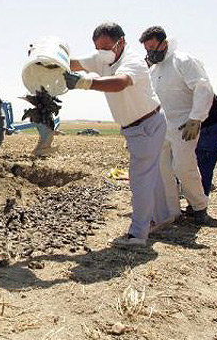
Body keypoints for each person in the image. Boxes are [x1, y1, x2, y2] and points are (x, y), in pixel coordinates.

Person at [63, 22, 172, 247]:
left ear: (121, 41)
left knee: (140, 179)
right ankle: (165, 217)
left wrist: (86, 83)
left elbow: (120, 83)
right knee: (153, 175)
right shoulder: (101, 58)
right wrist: (47, 60)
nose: (101, 51)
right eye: (97, 47)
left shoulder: (132, 62)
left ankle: (138, 235)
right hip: (136, 127)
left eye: (106, 46)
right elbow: (71, 63)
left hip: (147, 125)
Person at [139, 26, 217, 224]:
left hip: (184, 126)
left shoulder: (182, 60)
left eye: (152, 47)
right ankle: (171, 211)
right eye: (146, 49)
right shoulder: (154, 70)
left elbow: (203, 87)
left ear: (164, 43)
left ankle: (200, 207)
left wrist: (196, 118)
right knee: (162, 169)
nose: (149, 53)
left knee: (183, 167)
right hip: (162, 126)